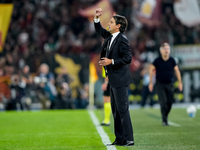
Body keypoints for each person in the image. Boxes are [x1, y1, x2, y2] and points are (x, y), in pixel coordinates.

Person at [94, 8, 134, 146]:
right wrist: (97, 18)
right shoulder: (111, 37)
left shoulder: (122, 39)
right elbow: (99, 30)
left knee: (122, 109)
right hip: (113, 78)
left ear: (118, 26)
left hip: (120, 79)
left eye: (111, 22)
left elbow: (128, 58)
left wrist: (111, 61)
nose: (108, 24)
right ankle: (120, 138)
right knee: (116, 110)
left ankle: (129, 138)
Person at [149, 42, 183, 126]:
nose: (166, 50)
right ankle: (164, 120)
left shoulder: (172, 60)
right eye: (164, 49)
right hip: (160, 84)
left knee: (170, 103)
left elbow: (177, 71)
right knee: (163, 102)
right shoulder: (157, 61)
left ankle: (165, 116)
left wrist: (180, 82)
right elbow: (151, 70)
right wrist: (150, 83)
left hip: (169, 84)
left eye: (168, 49)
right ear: (161, 51)